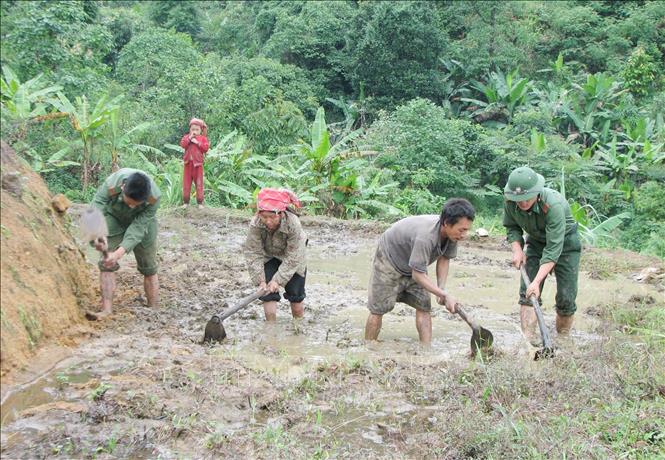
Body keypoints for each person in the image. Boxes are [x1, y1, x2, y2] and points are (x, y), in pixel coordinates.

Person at [364, 198, 475, 345]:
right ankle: (369, 347)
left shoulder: (453, 235)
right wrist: (444, 295)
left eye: (467, 230)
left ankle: (426, 348)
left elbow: (444, 258)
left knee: (424, 306)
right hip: (389, 258)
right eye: (462, 230)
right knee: (378, 308)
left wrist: (441, 289)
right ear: (446, 223)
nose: (464, 235)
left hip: (415, 264)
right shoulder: (426, 237)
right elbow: (418, 275)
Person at [503, 166, 581, 344]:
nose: (522, 204)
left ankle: (562, 340)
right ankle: (527, 341)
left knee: (566, 298)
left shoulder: (553, 205)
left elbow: (554, 249)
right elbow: (512, 227)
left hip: (566, 244)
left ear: (537, 192)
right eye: (518, 200)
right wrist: (517, 250)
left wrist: (537, 282)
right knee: (527, 293)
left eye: (526, 199)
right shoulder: (509, 201)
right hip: (536, 242)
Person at [90, 168, 161, 318]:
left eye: (136, 204)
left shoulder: (154, 197)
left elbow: (138, 228)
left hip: (143, 223)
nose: (132, 207)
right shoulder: (111, 185)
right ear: (123, 188)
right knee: (106, 263)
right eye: (129, 202)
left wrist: (118, 254)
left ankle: (154, 308)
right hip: (114, 216)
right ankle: (106, 310)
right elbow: (96, 209)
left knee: (149, 266)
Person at [244, 188, 307, 321]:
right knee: (267, 293)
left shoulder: (293, 224)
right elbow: (252, 252)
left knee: (296, 294)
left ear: (281, 214)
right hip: (270, 255)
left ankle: (298, 325)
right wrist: (260, 280)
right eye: (264, 217)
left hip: (293, 257)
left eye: (272, 217)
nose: (268, 221)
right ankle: (270, 329)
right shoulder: (255, 223)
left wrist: (278, 280)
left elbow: (294, 257)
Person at [180, 118, 209, 209]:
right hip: (188, 164)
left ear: (200, 130)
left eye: (197, 130)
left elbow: (205, 149)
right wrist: (189, 138)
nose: (194, 131)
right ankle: (186, 202)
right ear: (190, 129)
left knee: (199, 184)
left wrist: (197, 142)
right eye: (193, 129)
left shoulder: (203, 138)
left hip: (198, 165)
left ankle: (200, 203)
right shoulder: (186, 137)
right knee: (186, 184)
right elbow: (183, 144)